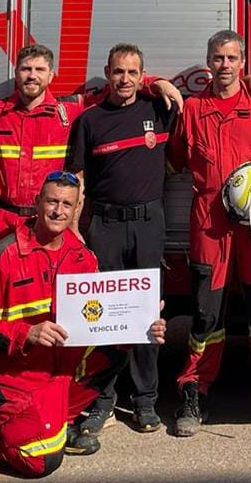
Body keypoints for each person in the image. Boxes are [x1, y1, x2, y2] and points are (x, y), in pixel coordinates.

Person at [0, 171, 167, 477]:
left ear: (77, 208)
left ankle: (54, 425)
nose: (58, 211)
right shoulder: (6, 253)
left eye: (67, 204)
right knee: (41, 461)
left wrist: (143, 323)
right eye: (52, 201)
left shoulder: (83, 257)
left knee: (114, 353)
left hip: (56, 375)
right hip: (10, 375)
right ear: (38, 203)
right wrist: (26, 333)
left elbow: (106, 322)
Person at [168, 29, 251, 436]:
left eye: (231, 58)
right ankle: (193, 395)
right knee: (206, 317)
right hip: (209, 225)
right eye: (218, 58)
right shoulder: (192, 109)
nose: (224, 66)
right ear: (208, 62)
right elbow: (175, 160)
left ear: (243, 63)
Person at [0, 43, 184, 256]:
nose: (32, 76)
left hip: (51, 219)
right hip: (4, 219)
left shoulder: (70, 112)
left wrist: (155, 83)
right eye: (26, 69)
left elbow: (118, 89)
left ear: (51, 75)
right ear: (16, 73)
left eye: (40, 70)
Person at [64, 44, 175, 437]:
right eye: (118, 72)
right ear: (107, 73)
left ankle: (145, 402)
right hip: (105, 225)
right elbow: (76, 176)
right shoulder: (89, 121)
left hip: (148, 222)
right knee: (104, 317)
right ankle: (103, 400)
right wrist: (75, 227)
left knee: (147, 315)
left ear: (141, 75)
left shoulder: (157, 109)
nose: (124, 80)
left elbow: (201, 99)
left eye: (132, 73)